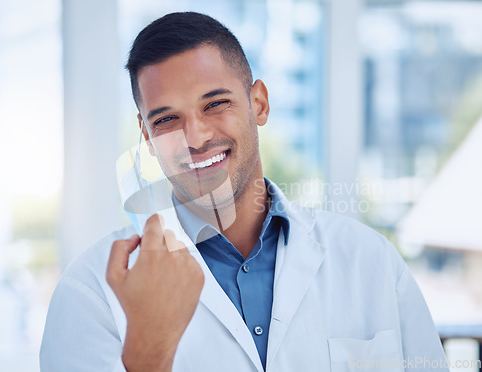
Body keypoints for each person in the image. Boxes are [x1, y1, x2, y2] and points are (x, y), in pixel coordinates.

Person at [40, 11, 448, 372]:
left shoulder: (370, 261)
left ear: (259, 104)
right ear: (146, 135)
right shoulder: (90, 292)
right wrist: (148, 358)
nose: (195, 137)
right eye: (166, 120)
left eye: (215, 104)